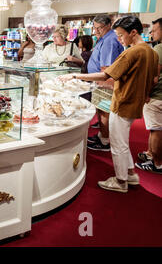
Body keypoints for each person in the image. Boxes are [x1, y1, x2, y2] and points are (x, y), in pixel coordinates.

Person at [59, 16, 159, 193]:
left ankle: (120, 181)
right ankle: (130, 174)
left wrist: (75, 76)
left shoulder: (132, 52)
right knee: (122, 140)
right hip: (134, 101)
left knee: (117, 143)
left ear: (133, 32)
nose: (119, 40)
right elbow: (153, 79)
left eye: (121, 35)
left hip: (123, 101)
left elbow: (106, 75)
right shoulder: (151, 52)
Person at [87, 14, 124, 151]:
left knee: (104, 112)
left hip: (104, 84)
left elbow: (106, 69)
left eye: (99, 28)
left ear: (109, 25)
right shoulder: (104, 38)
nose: (96, 31)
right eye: (94, 28)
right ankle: (102, 135)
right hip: (100, 83)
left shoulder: (109, 40)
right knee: (101, 110)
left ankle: (104, 141)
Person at [136, 17, 162, 174]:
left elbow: (154, 76)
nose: (151, 32)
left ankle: (157, 163)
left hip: (157, 96)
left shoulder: (159, 49)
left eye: (155, 29)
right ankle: (151, 154)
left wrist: (145, 93)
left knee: (155, 129)